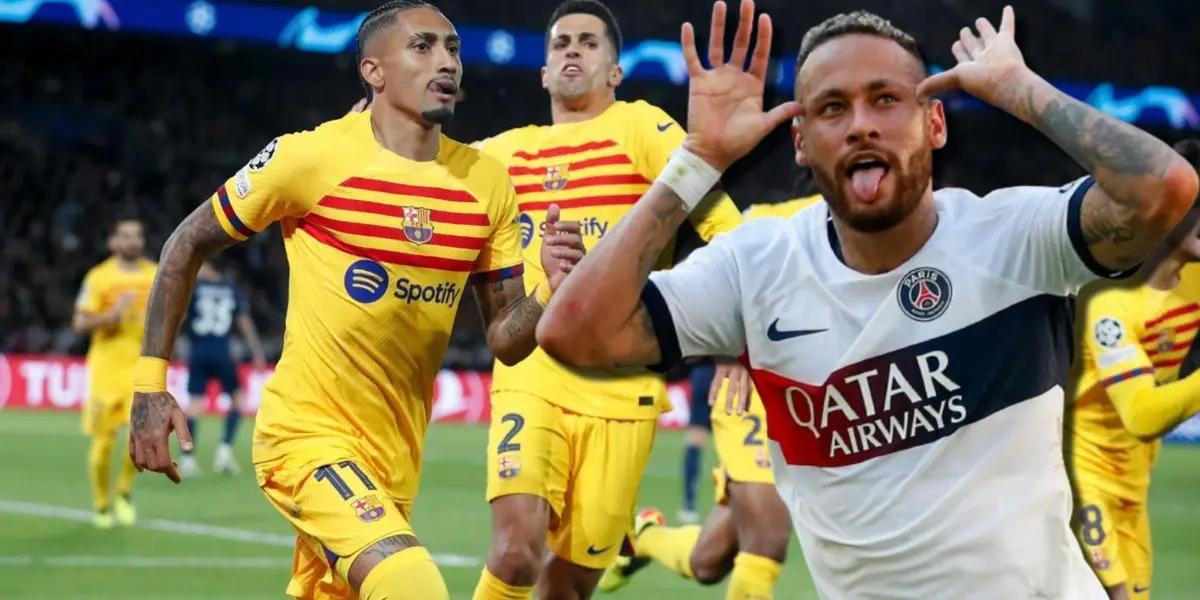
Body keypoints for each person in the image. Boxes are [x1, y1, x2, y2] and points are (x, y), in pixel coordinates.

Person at [537, 1, 1198, 598]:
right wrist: (697, 161)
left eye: (887, 99)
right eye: (831, 108)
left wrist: (1018, 90)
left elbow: (1165, 188)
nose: (860, 126)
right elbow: (574, 333)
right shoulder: (757, 264)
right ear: (800, 141)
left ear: (934, 122)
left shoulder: (1015, 237)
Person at [126, 2, 583, 599]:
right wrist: (150, 384)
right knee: (413, 584)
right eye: (422, 47)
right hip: (303, 437)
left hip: (393, 460)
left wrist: (550, 285)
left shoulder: (486, 183)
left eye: (453, 49)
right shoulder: (308, 157)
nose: (446, 61)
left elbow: (506, 340)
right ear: (373, 71)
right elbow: (185, 244)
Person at [470, 1, 741, 598]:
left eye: (589, 43)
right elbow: (418, 178)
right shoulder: (500, 153)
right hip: (532, 374)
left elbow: (727, 231)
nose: (572, 50)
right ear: (542, 71)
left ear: (615, 72)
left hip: (624, 390)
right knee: (516, 552)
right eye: (561, 42)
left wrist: (737, 337)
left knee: (567, 588)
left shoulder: (642, 127)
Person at [601, 197, 821, 597]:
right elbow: (696, 288)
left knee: (709, 560)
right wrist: (728, 345)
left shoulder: (887, 227)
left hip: (810, 401)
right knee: (767, 540)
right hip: (750, 392)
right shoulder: (769, 221)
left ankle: (643, 539)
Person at [1069, 139, 1200, 600]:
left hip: (1134, 482)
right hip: (1086, 478)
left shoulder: (1193, 279)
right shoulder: (1110, 304)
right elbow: (1141, 413)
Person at [73, 216, 157, 529]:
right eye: (125, 236)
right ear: (113, 242)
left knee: (139, 438)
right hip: (106, 371)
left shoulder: (154, 274)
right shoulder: (99, 277)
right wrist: (113, 315)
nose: (132, 241)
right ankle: (101, 504)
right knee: (103, 443)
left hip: (141, 367)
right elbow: (80, 323)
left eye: (137, 235)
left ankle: (124, 491)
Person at [178, 260, 266, 477]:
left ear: (208, 267)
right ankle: (224, 451)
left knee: (195, 405)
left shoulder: (193, 289)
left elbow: (180, 317)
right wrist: (256, 352)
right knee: (237, 400)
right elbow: (244, 323)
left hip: (198, 353)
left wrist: (169, 345)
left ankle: (187, 458)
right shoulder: (231, 289)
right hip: (223, 353)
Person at [679, 359, 715, 525]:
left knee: (695, 441)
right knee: (731, 442)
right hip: (729, 374)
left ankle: (689, 506)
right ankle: (734, 505)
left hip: (703, 373)